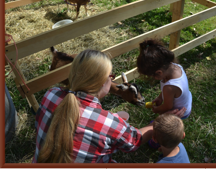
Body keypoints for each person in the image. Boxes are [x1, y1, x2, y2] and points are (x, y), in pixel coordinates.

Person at [32, 49, 185, 163]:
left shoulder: (50, 95)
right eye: (111, 77)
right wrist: (162, 123)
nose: (112, 80)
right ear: (103, 82)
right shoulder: (109, 124)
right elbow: (135, 140)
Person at [137, 39, 192, 120]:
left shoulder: (169, 87)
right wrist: (160, 97)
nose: (153, 78)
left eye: (152, 76)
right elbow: (169, 91)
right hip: (187, 103)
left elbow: (167, 106)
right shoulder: (175, 66)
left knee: (162, 119)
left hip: (180, 112)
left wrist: (157, 109)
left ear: (159, 72)